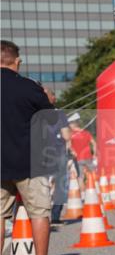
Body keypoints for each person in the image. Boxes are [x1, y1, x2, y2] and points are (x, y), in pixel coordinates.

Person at [0, 40, 61, 255]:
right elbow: (50, 120)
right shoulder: (30, 87)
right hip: (30, 162)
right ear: (17, 61)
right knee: (39, 212)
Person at [41, 87, 72, 224]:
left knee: (40, 184)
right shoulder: (60, 114)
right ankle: (55, 216)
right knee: (60, 184)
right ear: (52, 98)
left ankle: (40, 216)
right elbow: (66, 136)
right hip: (58, 153)